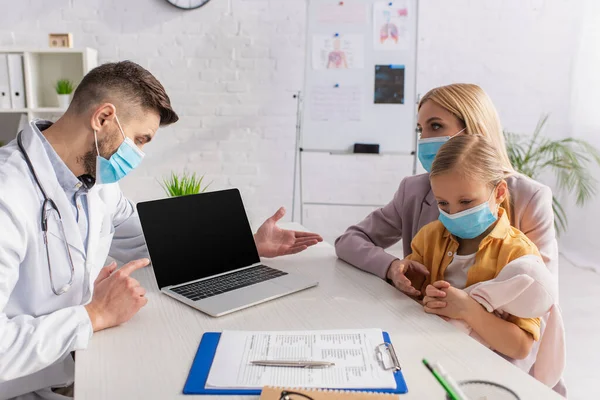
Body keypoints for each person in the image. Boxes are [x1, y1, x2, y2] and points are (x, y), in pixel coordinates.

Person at [0, 61, 322, 399]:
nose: (138, 153)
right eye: (139, 139)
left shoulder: (94, 181)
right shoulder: (9, 193)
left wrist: (247, 244)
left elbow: (152, 241)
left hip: (78, 367)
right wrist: (94, 313)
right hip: (22, 388)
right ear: (103, 118)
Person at [335, 83, 558, 294]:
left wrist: (467, 310)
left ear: (474, 132)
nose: (424, 140)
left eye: (436, 126)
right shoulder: (413, 190)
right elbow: (349, 241)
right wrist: (392, 267)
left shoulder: (529, 197)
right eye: (420, 129)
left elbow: (541, 295)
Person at [399, 135, 564, 390]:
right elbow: (410, 301)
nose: (454, 213)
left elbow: (520, 347)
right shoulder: (429, 236)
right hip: (428, 361)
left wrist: (466, 308)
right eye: (443, 203)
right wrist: (412, 286)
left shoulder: (519, 255)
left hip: (484, 378)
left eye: (466, 202)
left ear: (498, 192)